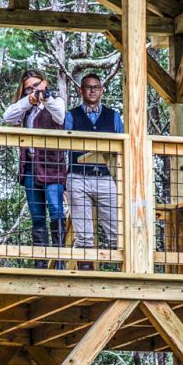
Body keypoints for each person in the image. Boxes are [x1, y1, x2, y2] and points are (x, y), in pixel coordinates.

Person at [2, 70, 68, 265]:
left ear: (44, 83)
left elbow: (60, 115)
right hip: (31, 167)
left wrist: (44, 97)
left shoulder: (56, 101)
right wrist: (27, 100)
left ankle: (59, 261)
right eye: (28, 88)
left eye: (36, 85)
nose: (33, 90)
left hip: (52, 167)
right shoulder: (26, 109)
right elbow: (7, 116)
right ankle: (40, 262)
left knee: (56, 211)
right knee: (37, 216)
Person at [63, 73, 123, 271]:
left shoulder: (113, 116)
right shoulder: (71, 116)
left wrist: (121, 179)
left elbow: (122, 148)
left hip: (106, 178)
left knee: (116, 230)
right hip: (77, 178)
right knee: (84, 235)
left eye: (96, 87)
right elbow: (64, 148)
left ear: (102, 90)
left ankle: (123, 273)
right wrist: (64, 180)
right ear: (81, 90)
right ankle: (86, 275)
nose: (92, 90)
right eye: (88, 87)